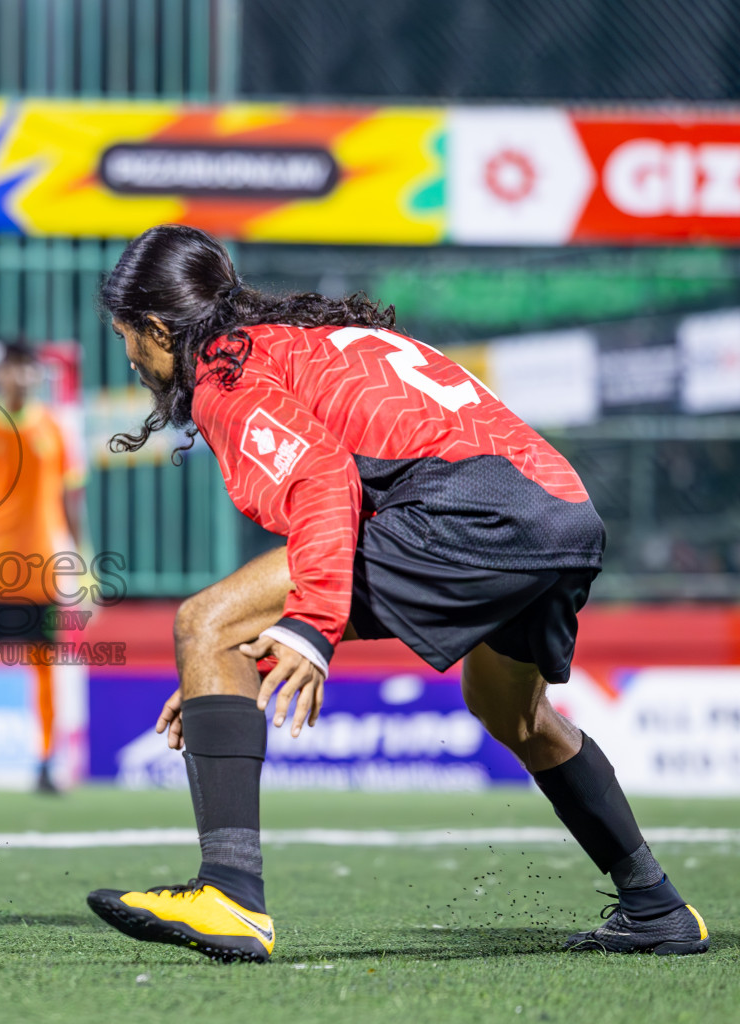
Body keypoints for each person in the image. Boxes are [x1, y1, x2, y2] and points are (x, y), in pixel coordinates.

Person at [85, 224, 708, 962]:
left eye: (129, 337)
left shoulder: (230, 368)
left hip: (476, 514)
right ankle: (655, 904)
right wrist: (217, 678)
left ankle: (228, 894)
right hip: (560, 513)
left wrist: (309, 628)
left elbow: (323, 484)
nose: (131, 358)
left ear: (159, 328)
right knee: (514, 711)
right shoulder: (303, 338)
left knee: (205, 621)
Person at [0, 341, 87, 795]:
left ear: (37, 375)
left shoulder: (54, 428)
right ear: (1, 374)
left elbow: (70, 497)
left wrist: (81, 559)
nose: (22, 377)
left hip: (40, 570)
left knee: (44, 669)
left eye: (29, 369)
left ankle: (46, 763)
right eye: (14, 369)